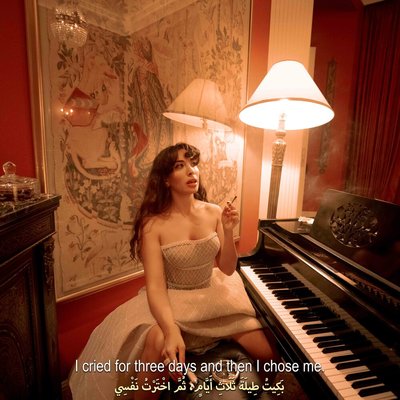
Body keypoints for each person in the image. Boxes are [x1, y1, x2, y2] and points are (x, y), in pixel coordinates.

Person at [69, 142, 278, 400]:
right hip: (170, 300)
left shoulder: (213, 212)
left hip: (211, 298)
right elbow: (156, 287)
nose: (192, 171)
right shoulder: (153, 225)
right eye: (181, 166)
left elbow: (226, 268)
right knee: (157, 344)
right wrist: (170, 330)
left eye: (193, 164)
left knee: (269, 355)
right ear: (166, 179)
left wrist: (226, 229)